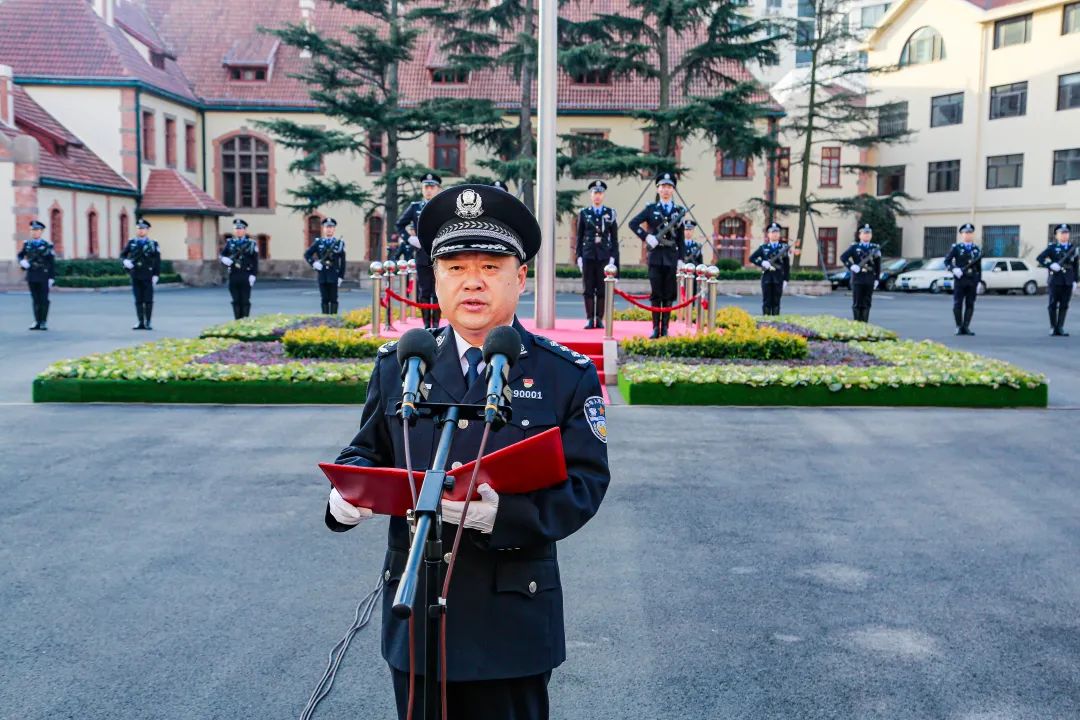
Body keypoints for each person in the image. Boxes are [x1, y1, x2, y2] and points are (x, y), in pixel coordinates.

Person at [324, 183, 610, 720]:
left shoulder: (562, 374)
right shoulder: (402, 364)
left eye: (490, 266)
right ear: (435, 279)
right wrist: (345, 495)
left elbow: (586, 484)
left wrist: (504, 514)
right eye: (455, 267)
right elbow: (365, 451)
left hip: (510, 613)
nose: (472, 281)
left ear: (520, 277)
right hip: (415, 613)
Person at [629, 172, 686, 338]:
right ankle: (655, 328)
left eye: (669, 187)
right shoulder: (651, 209)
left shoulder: (679, 211)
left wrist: (681, 259)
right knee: (656, 293)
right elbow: (633, 223)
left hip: (671, 257)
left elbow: (681, 238)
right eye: (663, 187)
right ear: (658, 189)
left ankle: (665, 328)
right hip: (655, 257)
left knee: (669, 293)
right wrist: (647, 237)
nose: (666, 190)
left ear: (673, 190)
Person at [397, 172, 443, 328]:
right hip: (422, 255)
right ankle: (426, 325)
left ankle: (436, 325)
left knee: (438, 291)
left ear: (438, 188)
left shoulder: (443, 206)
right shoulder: (415, 207)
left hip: (440, 255)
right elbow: (400, 224)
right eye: (426, 187)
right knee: (424, 291)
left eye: (432, 187)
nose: (429, 190)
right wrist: (410, 239)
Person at [575, 179, 619, 329]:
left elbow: (614, 238)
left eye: (600, 193)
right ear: (591, 195)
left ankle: (599, 318)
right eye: (595, 193)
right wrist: (578, 256)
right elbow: (579, 237)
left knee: (601, 289)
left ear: (603, 195)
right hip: (588, 255)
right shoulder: (584, 213)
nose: (597, 196)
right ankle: (589, 318)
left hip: (604, 256)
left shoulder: (610, 214)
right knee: (588, 288)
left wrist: (614, 259)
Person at [1036, 224, 1078, 336]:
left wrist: (1075, 281)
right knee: (1053, 305)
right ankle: (1053, 327)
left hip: (1068, 281)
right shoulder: (1052, 248)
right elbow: (1039, 258)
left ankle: (1060, 327)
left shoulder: (1073, 248)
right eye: (1062, 233)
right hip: (1055, 280)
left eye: (1066, 233)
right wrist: (1050, 264)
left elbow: (1075, 266)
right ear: (1056, 235)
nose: (1064, 235)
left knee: (1064, 305)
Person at [119, 218, 161, 330]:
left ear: (147, 230)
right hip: (135, 275)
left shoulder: (153, 244)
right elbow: (122, 255)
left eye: (143, 229)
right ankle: (140, 322)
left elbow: (157, 260)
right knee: (138, 300)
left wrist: (156, 275)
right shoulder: (132, 242)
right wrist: (125, 261)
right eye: (139, 229)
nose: (141, 231)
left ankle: (148, 322)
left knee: (148, 300)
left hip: (148, 275)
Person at [17, 219, 56, 331]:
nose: (34, 232)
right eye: (32, 230)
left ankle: (43, 321)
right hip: (32, 275)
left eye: (37, 230)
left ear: (41, 231)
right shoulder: (27, 244)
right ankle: (36, 321)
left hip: (44, 276)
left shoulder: (47, 245)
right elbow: (20, 255)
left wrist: (52, 277)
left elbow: (51, 263)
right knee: (35, 299)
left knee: (44, 299)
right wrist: (22, 261)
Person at [944, 223, 982, 335]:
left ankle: (966, 327)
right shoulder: (956, 248)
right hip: (960, 280)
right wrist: (954, 269)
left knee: (970, 304)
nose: (968, 235)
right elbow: (947, 261)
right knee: (958, 303)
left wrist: (979, 281)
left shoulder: (976, 249)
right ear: (962, 234)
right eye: (966, 233)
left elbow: (979, 267)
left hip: (972, 280)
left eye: (970, 233)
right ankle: (958, 326)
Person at [303, 218, 346, 314]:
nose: (329, 229)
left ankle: (333, 319)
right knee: (324, 299)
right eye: (327, 227)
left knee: (334, 299)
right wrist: (314, 263)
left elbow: (342, 262)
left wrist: (341, 277)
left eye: (331, 227)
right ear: (323, 229)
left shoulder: (339, 243)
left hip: (334, 275)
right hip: (322, 275)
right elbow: (307, 254)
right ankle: (325, 319)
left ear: (334, 229)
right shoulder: (318, 242)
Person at [840, 224, 882, 323]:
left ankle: (865, 324)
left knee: (867, 303)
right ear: (860, 235)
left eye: (869, 233)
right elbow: (843, 257)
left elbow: (878, 265)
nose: (867, 235)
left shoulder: (875, 248)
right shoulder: (854, 247)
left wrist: (877, 279)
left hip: (869, 278)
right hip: (858, 279)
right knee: (857, 303)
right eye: (865, 233)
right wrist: (851, 266)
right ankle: (857, 324)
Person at [219, 218, 259, 319]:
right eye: (236, 229)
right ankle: (237, 321)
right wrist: (224, 259)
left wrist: (253, 275)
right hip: (233, 274)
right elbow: (222, 255)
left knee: (245, 300)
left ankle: (245, 321)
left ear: (245, 230)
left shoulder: (251, 244)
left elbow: (255, 261)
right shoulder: (230, 243)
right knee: (235, 300)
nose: (238, 231)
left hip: (246, 274)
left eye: (240, 229)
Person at [749, 222, 790, 316]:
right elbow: (751, 258)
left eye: (777, 232)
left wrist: (786, 279)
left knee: (776, 302)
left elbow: (787, 265)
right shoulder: (763, 248)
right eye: (772, 232)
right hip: (766, 277)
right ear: (768, 234)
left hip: (778, 278)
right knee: (766, 301)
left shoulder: (783, 248)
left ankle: (776, 322)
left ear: (779, 234)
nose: (775, 234)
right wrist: (762, 262)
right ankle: (766, 322)